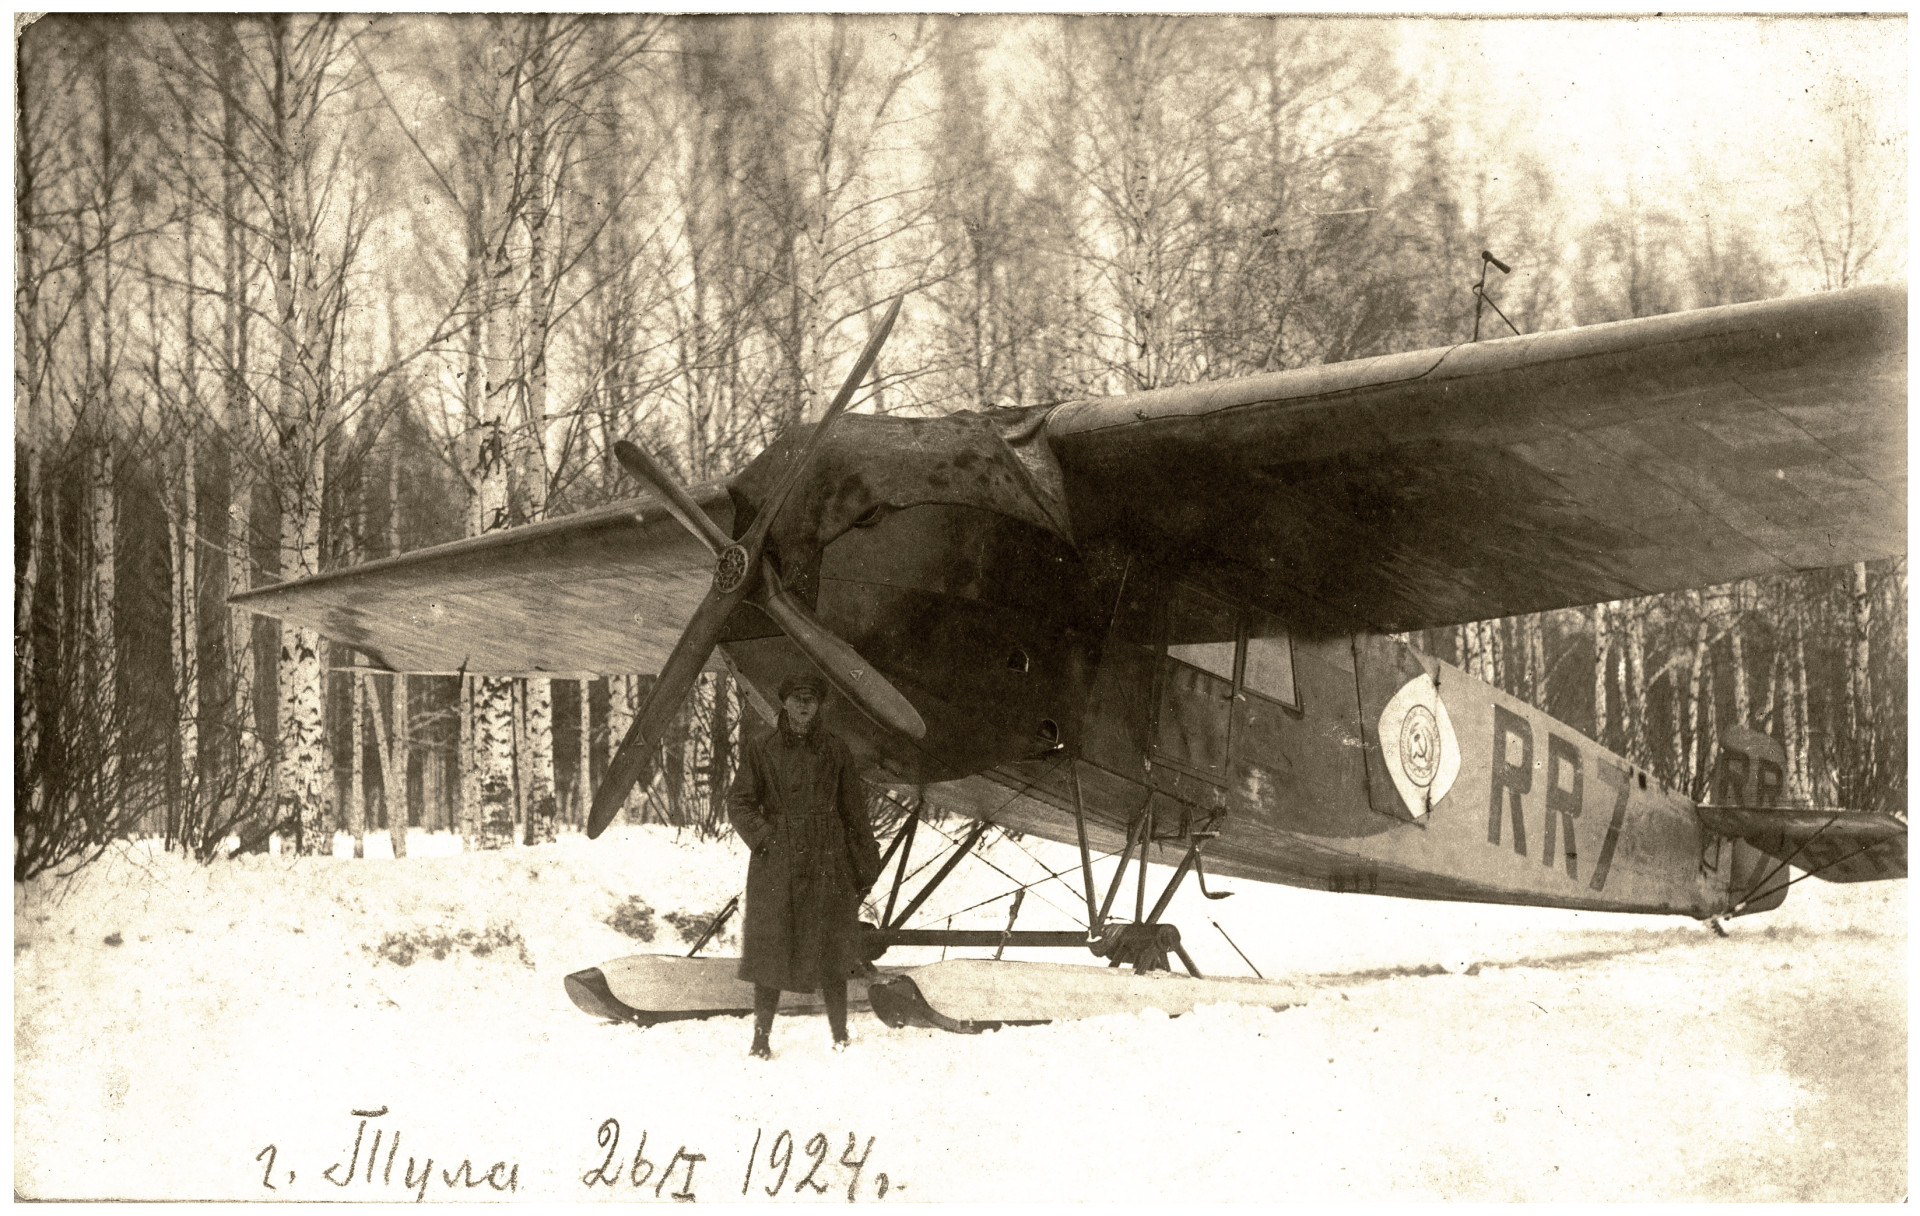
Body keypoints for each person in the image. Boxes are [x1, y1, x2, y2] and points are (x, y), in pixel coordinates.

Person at [728, 671, 882, 1059]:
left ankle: (840, 1034)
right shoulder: (761, 747)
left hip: (827, 856)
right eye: (796, 697)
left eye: (810, 698)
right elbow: (739, 801)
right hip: (776, 860)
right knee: (771, 946)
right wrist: (767, 837)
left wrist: (863, 861)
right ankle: (761, 1038)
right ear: (783, 701)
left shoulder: (836, 749)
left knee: (833, 945)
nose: (802, 704)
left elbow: (853, 811)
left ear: (818, 705)